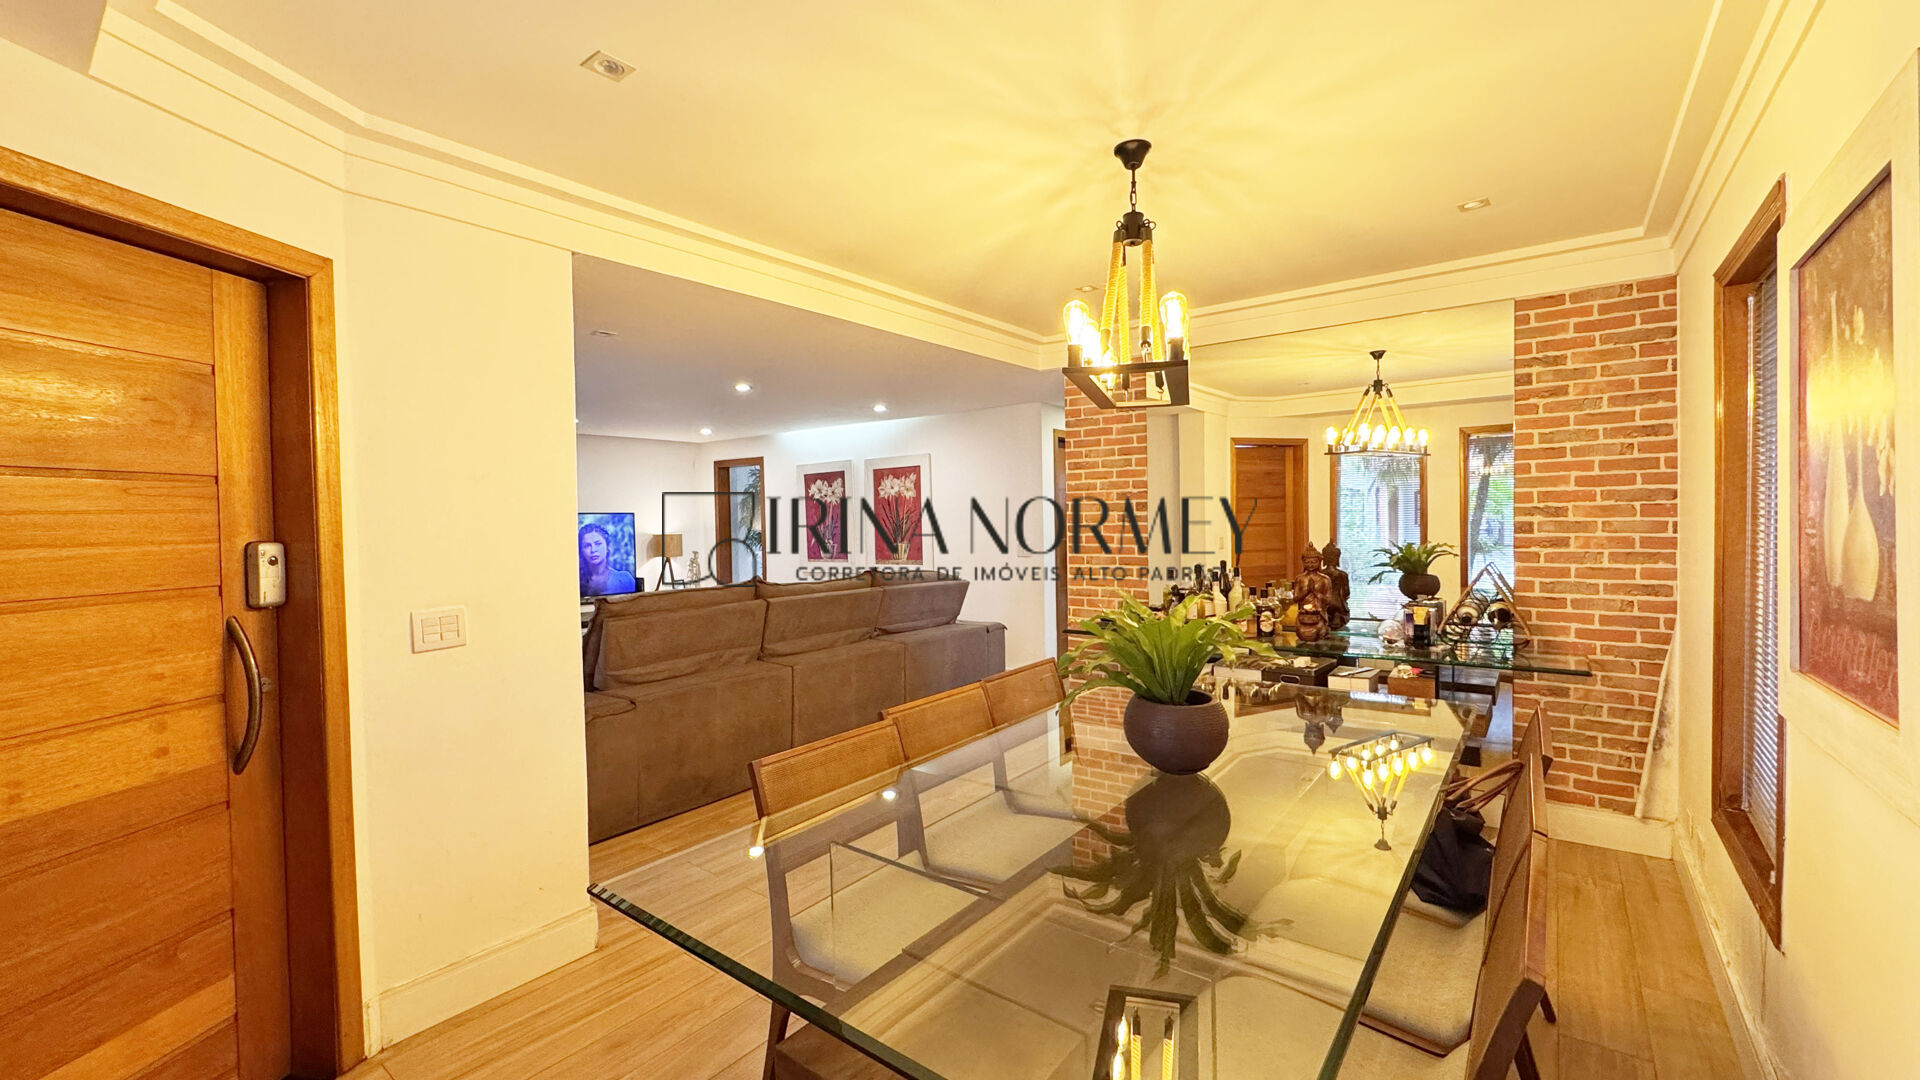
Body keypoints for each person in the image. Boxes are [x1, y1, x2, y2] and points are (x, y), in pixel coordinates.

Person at [579, 523, 637, 596]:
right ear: (581, 551)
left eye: (598, 544)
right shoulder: (576, 581)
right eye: (587, 546)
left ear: (608, 547)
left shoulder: (624, 580)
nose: (593, 550)